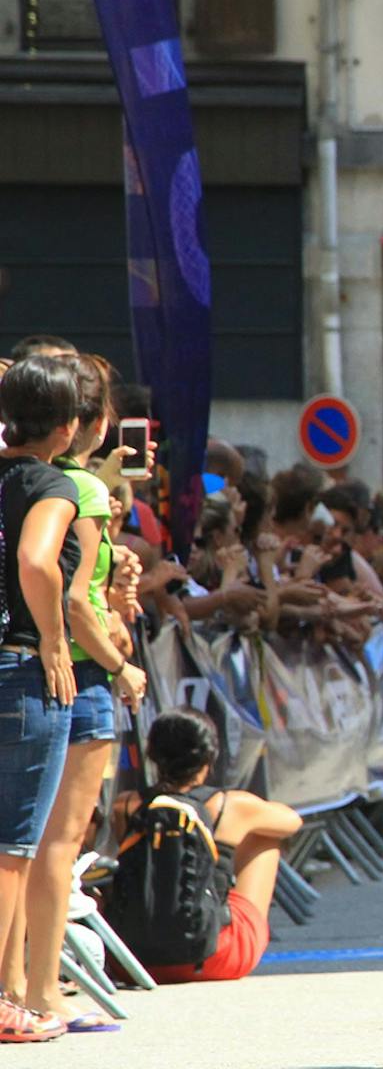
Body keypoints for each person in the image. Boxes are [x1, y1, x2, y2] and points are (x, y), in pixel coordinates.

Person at [11, 351, 147, 1032]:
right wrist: (115, 663)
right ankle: (40, 990)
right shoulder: (78, 492)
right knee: (54, 841)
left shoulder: (26, 478)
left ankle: (24, 986)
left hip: (53, 662)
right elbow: (73, 598)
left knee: (28, 842)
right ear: (83, 425)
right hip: (77, 674)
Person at [0, 356, 82, 1044]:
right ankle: (4, 1000)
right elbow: (36, 560)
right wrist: (53, 639)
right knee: (13, 844)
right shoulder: (49, 484)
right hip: (19, 668)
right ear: (67, 427)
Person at [107, 708, 300, 983]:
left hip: (131, 960)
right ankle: (228, 913)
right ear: (210, 756)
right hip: (215, 956)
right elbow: (292, 821)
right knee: (265, 834)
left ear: (152, 756)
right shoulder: (231, 805)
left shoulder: (125, 805)